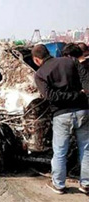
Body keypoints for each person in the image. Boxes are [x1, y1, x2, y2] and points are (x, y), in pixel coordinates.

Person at [33, 44, 89, 194]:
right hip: (83, 111)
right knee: (86, 149)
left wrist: (71, 96)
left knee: (60, 152)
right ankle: (86, 184)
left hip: (61, 115)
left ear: (36, 60)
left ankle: (59, 185)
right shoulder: (71, 61)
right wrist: (81, 94)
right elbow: (86, 80)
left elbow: (50, 96)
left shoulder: (39, 74)